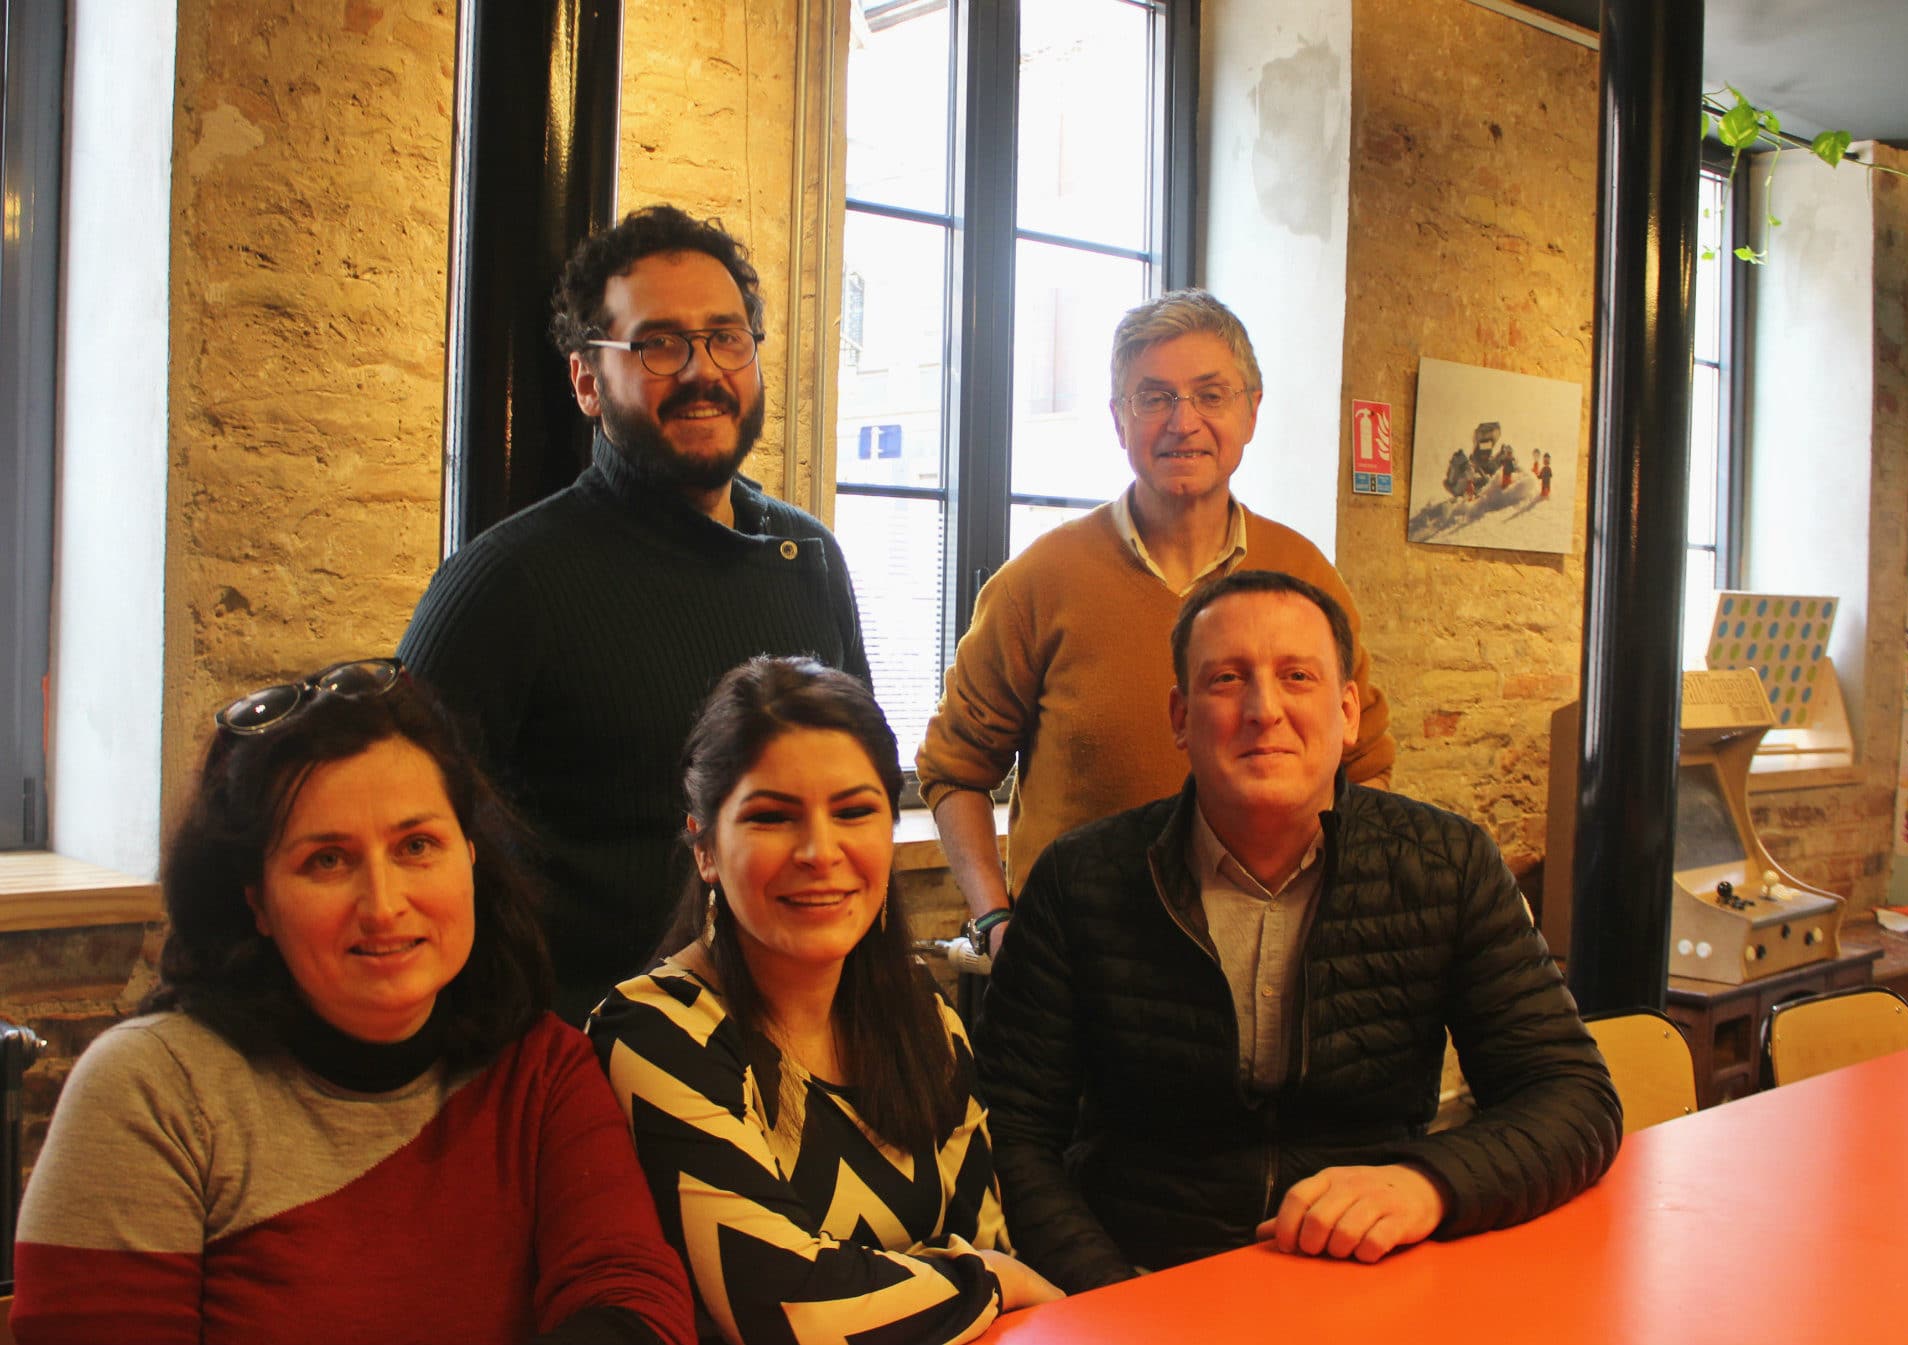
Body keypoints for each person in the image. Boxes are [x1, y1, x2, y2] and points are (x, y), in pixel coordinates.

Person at [9, 659, 696, 1345]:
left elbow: (635, 1303)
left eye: (416, 845)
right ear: (258, 901)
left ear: (471, 854)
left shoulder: (542, 1070)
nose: (384, 904)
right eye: (327, 860)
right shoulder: (149, 1092)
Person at [974, 571, 1621, 1293]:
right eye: (1226, 679)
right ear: (1181, 717)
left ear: (1348, 712)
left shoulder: (1447, 865)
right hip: (1143, 1276)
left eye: (1297, 676)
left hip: (1374, 1277)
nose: (1264, 709)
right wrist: (1107, 1292)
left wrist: (1425, 1184)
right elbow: (1011, 1130)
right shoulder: (1081, 880)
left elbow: (1572, 1094)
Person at [400, 205, 869, 1020]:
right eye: (659, 344)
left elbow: (855, 798)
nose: (702, 371)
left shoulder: (811, 560)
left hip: (792, 1045)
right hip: (584, 1071)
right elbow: (402, 839)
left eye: (727, 338)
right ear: (588, 380)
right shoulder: (507, 583)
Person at [587, 657, 1061, 1345]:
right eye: (773, 816)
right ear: (706, 849)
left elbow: (988, 1238)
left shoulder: (923, 1013)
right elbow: (786, 1311)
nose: (820, 849)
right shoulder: (653, 1033)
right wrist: (986, 1282)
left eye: (853, 810)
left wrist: (977, 1279)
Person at [916, 290, 1393, 956]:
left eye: (1210, 394)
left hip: (1267, 964)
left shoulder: (1305, 576)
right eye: (1154, 397)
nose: (1183, 422)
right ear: (1119, 419)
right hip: (1079, 964)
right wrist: (995, 918)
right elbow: (954, 769)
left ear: (1252, 411)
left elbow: (1365, 762)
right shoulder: (1037, 583)